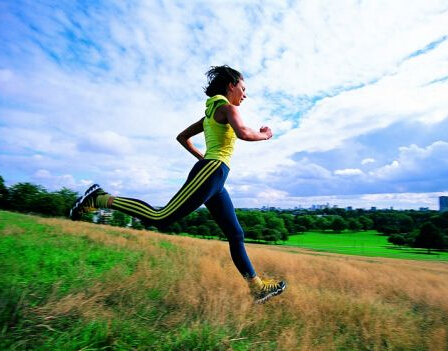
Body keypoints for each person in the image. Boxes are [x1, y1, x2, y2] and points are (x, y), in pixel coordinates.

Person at [70, 65, 286, 303]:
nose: (245, 95)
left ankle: (257, 288)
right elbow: (244, 132)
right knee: (160, 217)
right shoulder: (226, 107)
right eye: (243, 89)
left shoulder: (209, 115)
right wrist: (265, 134)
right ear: (231, 85)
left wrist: (203, 158)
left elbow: (181, 137)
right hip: (213, 172)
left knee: (235, 234)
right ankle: (99, 197)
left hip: (214, 175)